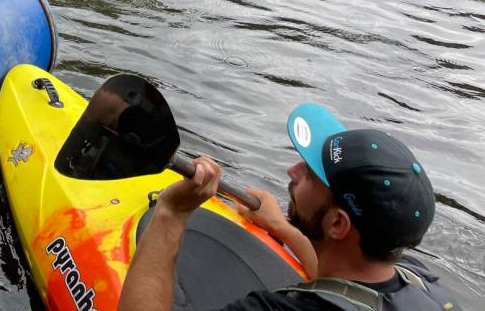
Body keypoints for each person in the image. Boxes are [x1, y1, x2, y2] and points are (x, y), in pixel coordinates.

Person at [118, 102, 457, 311]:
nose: (291, 172)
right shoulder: (417, 279)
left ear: (338, 225)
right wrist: (281, 226)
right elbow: (345, 285)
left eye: (308, 175)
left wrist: (172, 214)